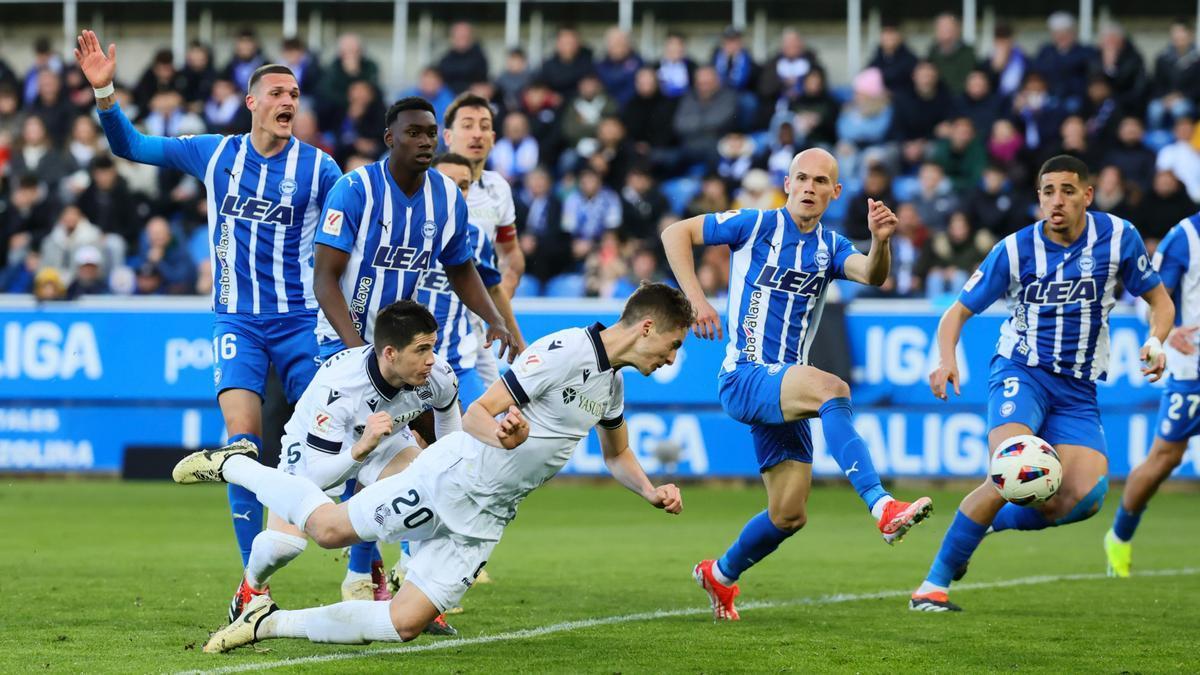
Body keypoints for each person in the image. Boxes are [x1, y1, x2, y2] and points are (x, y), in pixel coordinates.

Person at [174, 282, 690, 652]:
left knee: (404, 623)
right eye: (674, 344)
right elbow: (479, 415)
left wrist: (648, 490)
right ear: (647, 327)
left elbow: (617, 455)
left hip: (489, 517)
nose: (671, 358)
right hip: (451, 482)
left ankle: (265, 624)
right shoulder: (565, 349)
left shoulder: (612, 385)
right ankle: (237, 465)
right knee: (327, 531)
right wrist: (504, 435)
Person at [76, 31, 343, 613]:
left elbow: (353, 231)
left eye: (294, 92)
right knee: (241, 450)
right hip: (238, 324)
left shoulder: (320, 168)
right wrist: (105, 92)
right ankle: (254, 590)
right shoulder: (216, 153)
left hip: (300, 322)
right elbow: (133, 146)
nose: (287, 100)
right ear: (251, 102)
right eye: (276, 91)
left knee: (340, 432)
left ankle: (366, 569)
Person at [661, 148, 934, 621]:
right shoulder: (755, 225)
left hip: (785, 385)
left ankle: (720, 575)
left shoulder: (831, 246)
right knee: (834, 390)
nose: (809, 188)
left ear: (835, 191)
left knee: (788, 515)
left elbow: (872, 274)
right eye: (801, 179)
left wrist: (881, 241)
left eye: (820, 181)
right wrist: (697, 301)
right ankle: (882, 507)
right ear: (787, 184)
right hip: (746, 375)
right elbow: (675, 232)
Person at [912, 155, 1174, 612]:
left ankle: (987, 523)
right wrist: (946, 359)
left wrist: (1156, 340)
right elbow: (957, 312)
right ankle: (932, 586)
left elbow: (1160, 301)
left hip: (1078, 389)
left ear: (1087, 196)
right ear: (1038, 197)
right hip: (1021, 372)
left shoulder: (1118, 238)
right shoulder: (1014, 250)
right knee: (1012, 468)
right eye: (1048, 191)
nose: (1057, 201)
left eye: (1067, 191)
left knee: (1084, 498)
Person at [225, 300, 462, 632]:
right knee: (285, 546)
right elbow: (321, 473)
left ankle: (419, 600)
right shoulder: (340, 388)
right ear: (391, 353)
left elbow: (452, 442)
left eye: (432, 347)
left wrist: (453, 478)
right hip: (314, 448)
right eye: (422, 349)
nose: (431, 359)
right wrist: (362, 449)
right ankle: (250, 588)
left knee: (434, 492)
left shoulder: (438, 376)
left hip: (384, 440)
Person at [1105, 211, 1200, 576]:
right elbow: (1152, 296)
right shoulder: (1185, 237)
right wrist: (1166, 332)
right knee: (1165, 458)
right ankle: (1119, 536)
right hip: (1193, 372)